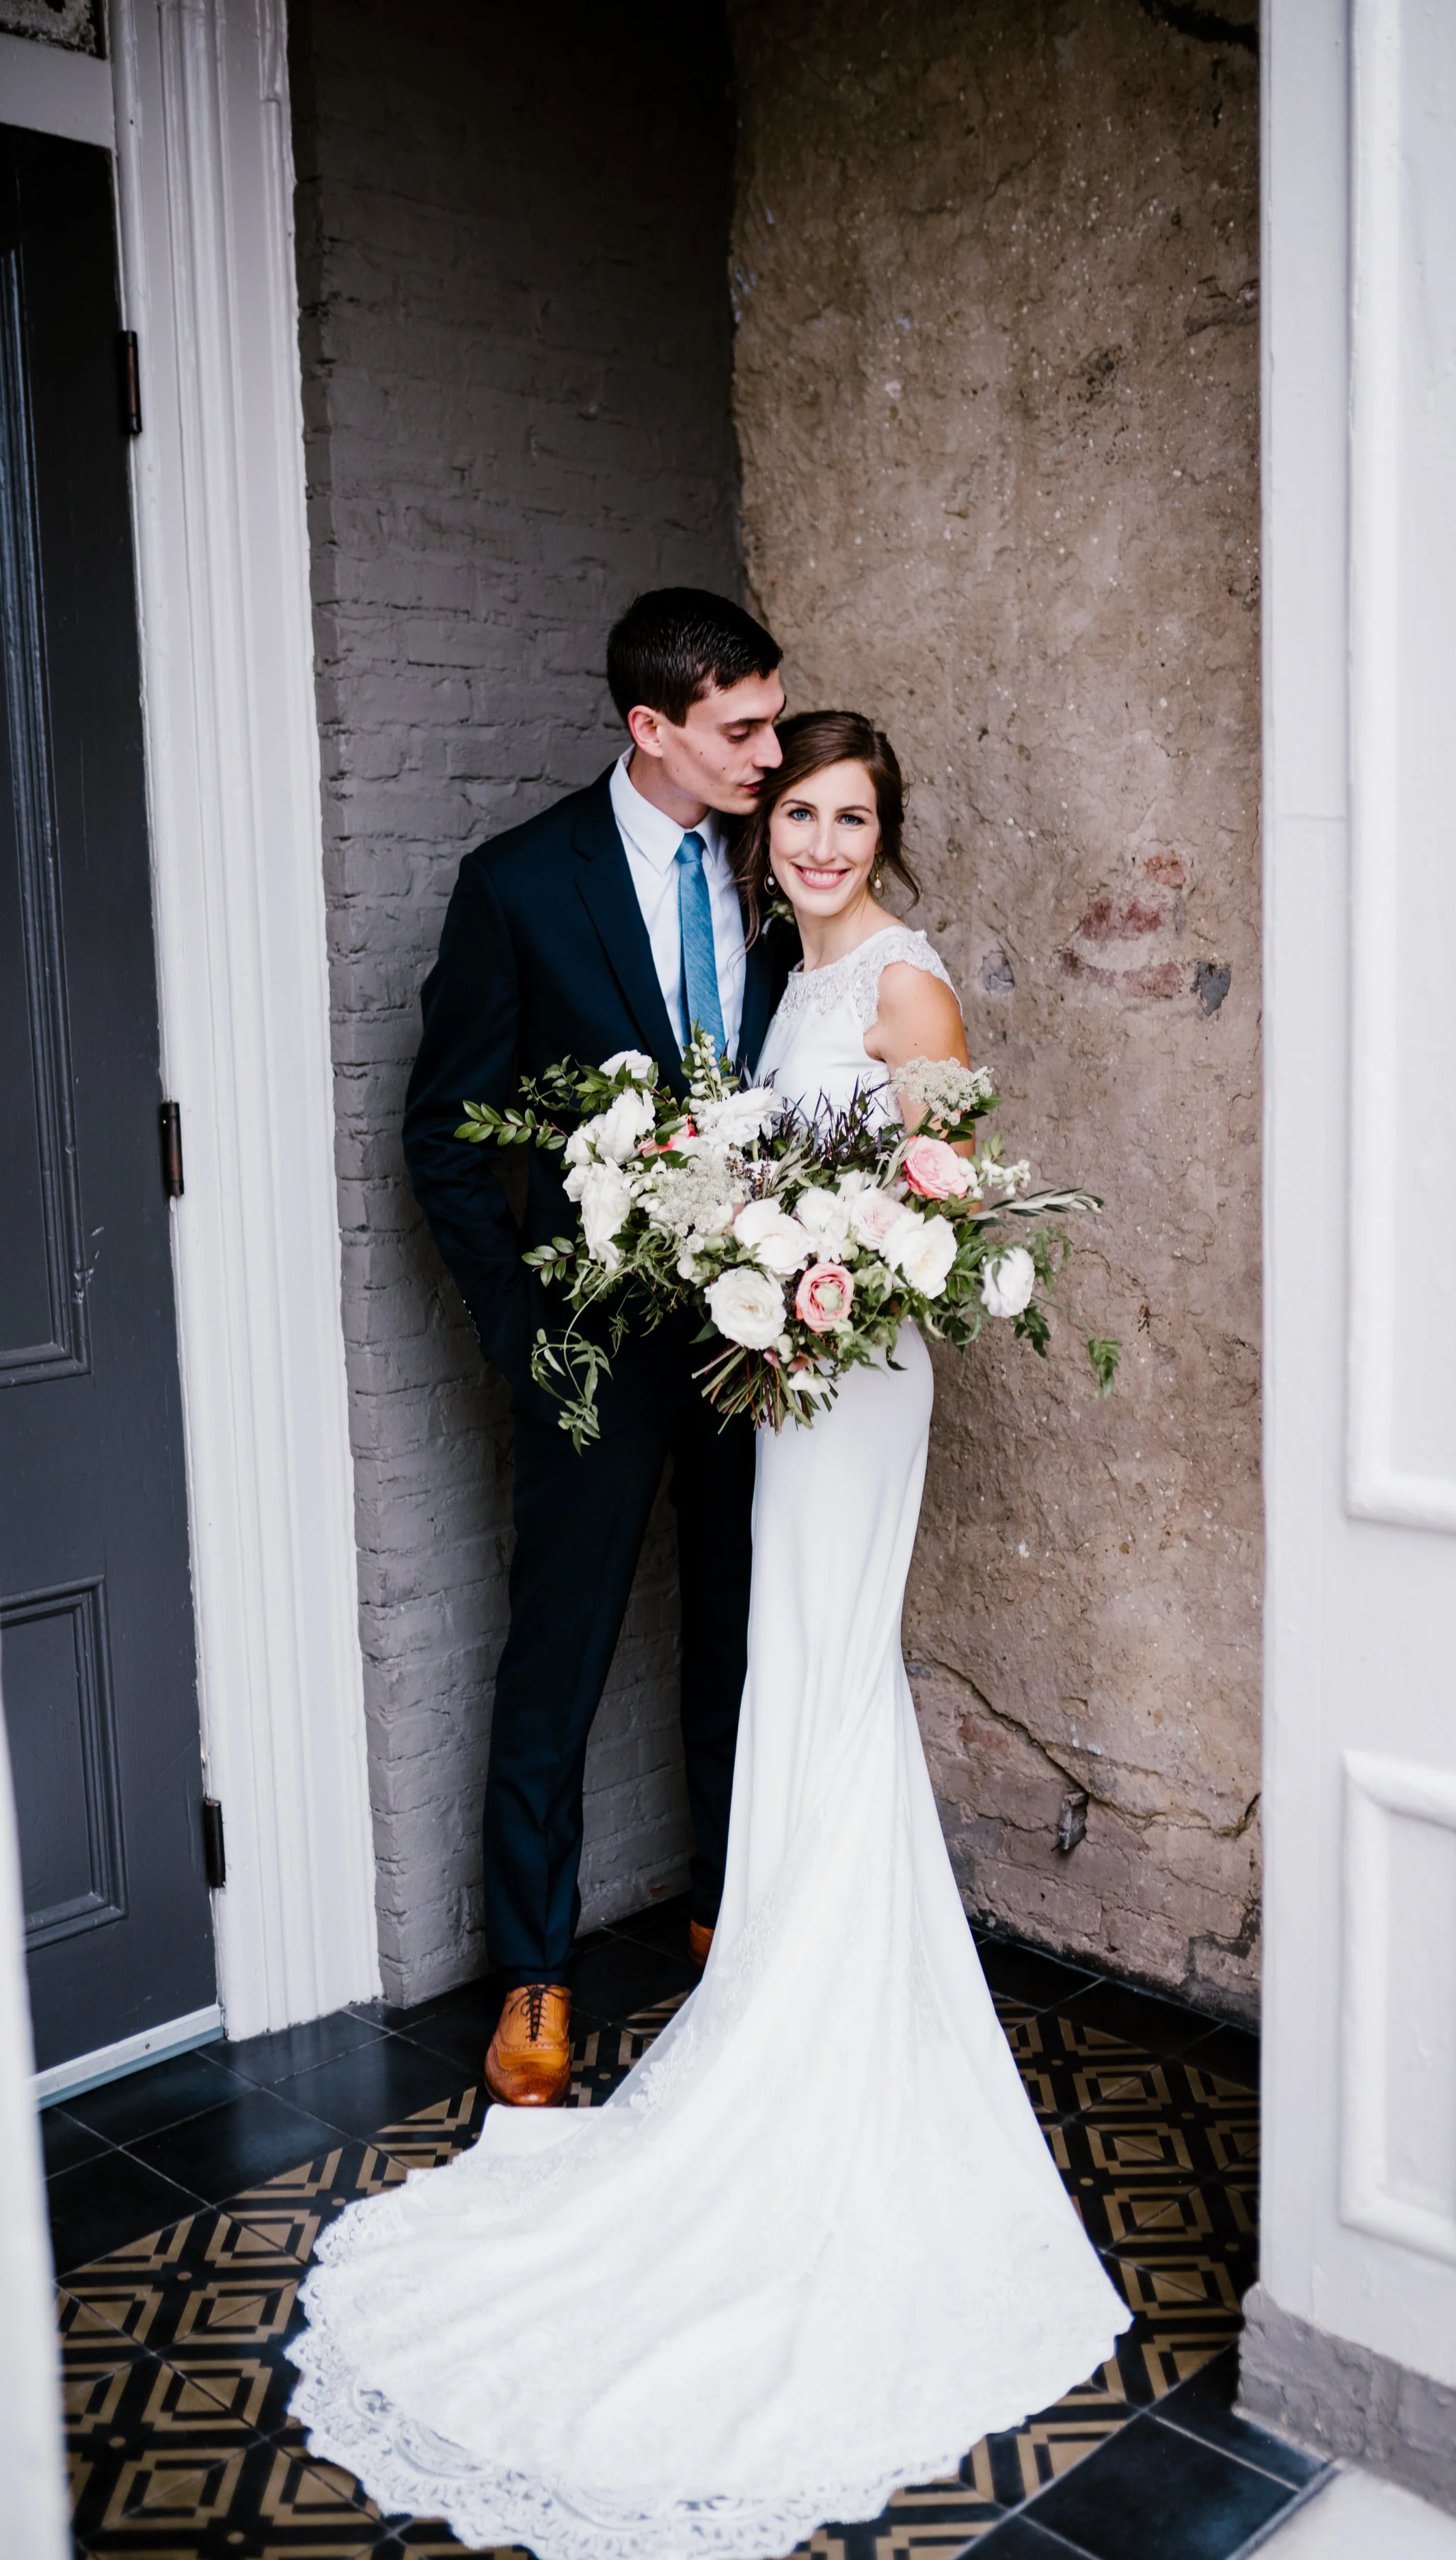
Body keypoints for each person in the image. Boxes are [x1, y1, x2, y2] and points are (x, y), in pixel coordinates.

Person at [291, 710, 1130, 2560]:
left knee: (816, 1676)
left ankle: (819, 2031)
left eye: (848, 816)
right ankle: (781, 1984)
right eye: (798, 811)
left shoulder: (900, 989)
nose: (818, 841)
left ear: (883, 832)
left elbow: (949, 1200)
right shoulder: (772, 980)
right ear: (764, 832)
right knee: (786, 1688)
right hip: (769, 1366)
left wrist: (826, 1279)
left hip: (848, 1381)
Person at [401, 589, 791, 2107]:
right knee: (557, 1653)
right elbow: (444, 1137)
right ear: (653, 728)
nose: (766, 753)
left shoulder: (768, 868)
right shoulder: (516, 884)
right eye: (739, 729)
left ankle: (726, 1912)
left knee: (737, 1635)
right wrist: (521, 1334)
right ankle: (536, 1974)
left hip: (753, 1335)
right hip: (592, 1342)